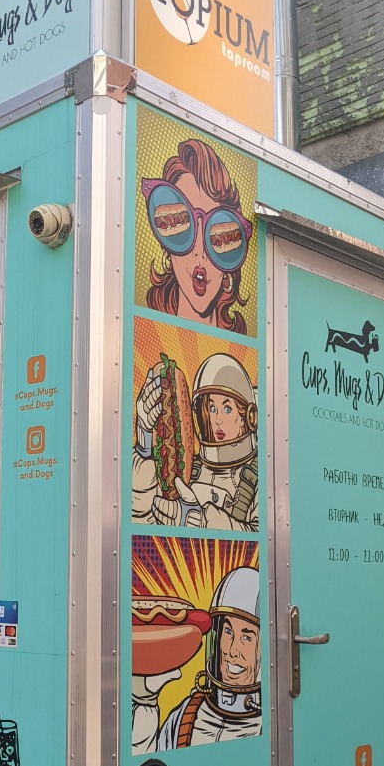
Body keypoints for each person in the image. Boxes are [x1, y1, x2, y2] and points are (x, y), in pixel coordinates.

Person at [132, 566, 261, 752]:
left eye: (247, 638)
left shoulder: (269, 723)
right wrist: (146, 701)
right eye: (228, 631)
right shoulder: (185, 714)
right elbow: (151, 761)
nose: (233, 650)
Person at [132, 352, 258, 531]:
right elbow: (143, 521)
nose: (217, 419)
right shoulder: (192, 471)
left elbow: (257, 534)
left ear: (249, 417)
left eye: (227, 409)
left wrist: (199, 520)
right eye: (211, 408)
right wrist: (144, 444)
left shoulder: (258, 475)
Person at [142, 138, 252, 331]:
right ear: (167, 249)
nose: (199, 252)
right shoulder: (149, 332)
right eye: (182, 223)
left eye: (218, 237)